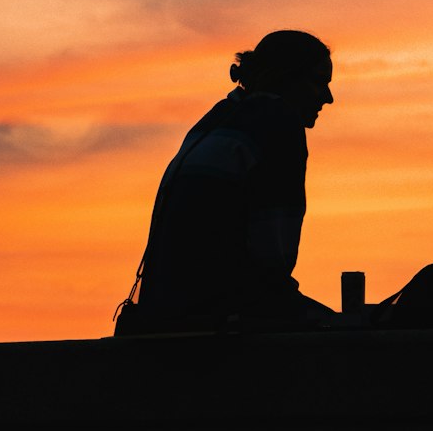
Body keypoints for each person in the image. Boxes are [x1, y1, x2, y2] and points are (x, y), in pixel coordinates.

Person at [129, 29, 336, 332]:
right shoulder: (278, 124)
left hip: (161, 310)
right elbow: (272, 258)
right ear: (286, 77)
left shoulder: (217, 118)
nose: (328, 98)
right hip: (215, 317)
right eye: (319, 82)